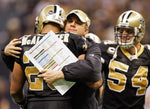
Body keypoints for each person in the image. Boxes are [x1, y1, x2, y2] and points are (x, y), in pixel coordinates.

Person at [2, 5, 102, 109]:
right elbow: (94, 75)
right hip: (64, 103)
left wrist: (23, 102)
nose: (73, 25)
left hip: (33, 104)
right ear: (63, 23)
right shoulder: (75, 41)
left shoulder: (21, 42)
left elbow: (14, 91)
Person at [98, 10, 149, 109]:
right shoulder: (107, 49)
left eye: (129, 31)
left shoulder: (148, 54)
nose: (124, 35)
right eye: (121, 31)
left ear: (140, 32)